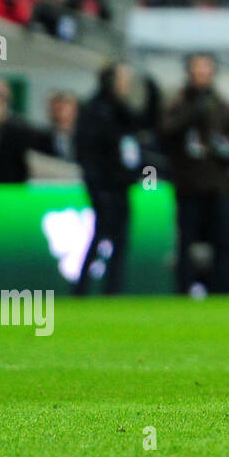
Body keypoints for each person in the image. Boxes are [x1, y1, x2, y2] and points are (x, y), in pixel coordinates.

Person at [161, 54, 229, 295]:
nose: (201, 73)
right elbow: (165, 133)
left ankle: (221, 291)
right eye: (196, 68)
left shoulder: (223, 106)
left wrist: (227, 149)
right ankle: (183, 289)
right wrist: (191, 113)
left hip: (218, 185)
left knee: (222, 242)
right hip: (188, 184)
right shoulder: (178, 104)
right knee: (185, 241)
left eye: (205, 68)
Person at [74, 63, 159, 295]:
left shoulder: (119, 109)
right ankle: (82, 289)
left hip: (121, 185)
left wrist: (153, 91)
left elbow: (144, 123)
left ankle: (112, 290)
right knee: (102, 236)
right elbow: (86, 151)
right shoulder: (94, 110)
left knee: (119, 239)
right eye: (122, 79)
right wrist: (96, 184)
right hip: (104, 185)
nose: (126, 85)